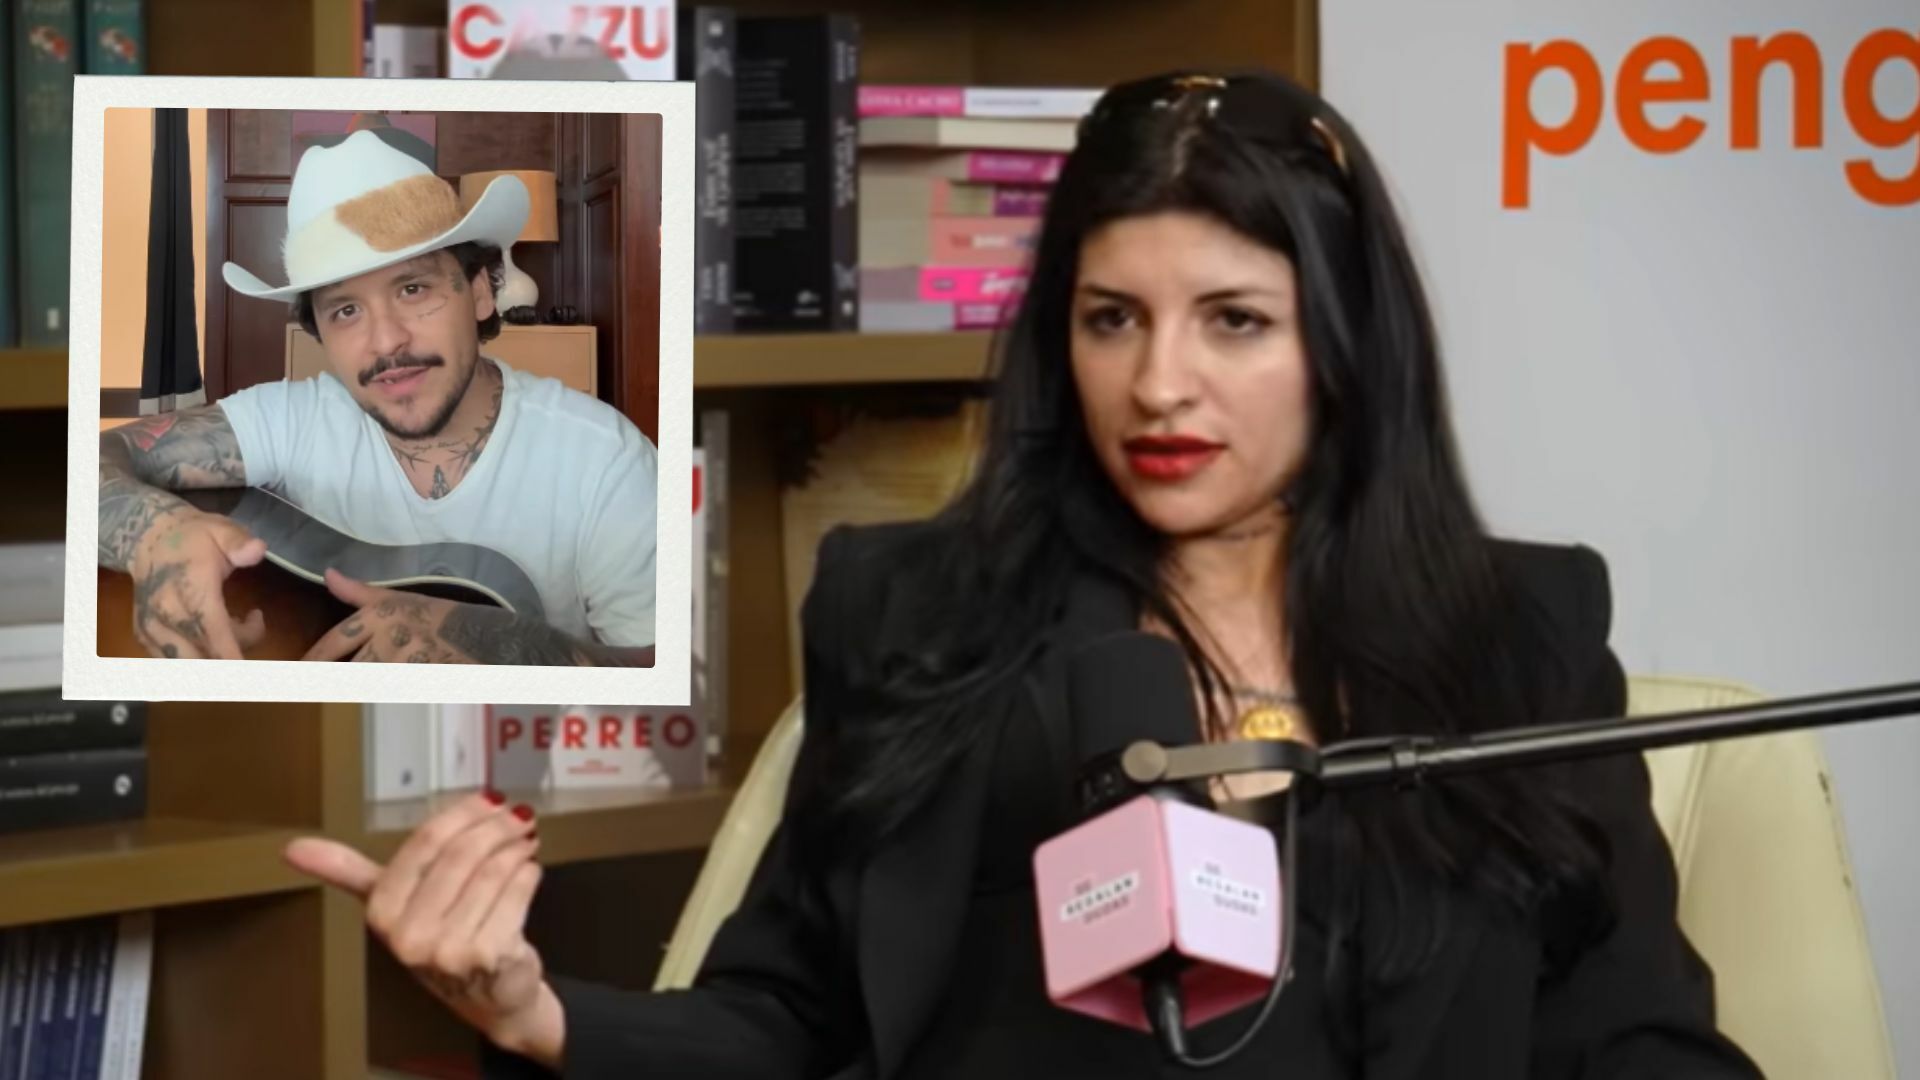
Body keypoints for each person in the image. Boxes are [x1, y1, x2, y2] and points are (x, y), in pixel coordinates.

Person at [283, 70, 1763, 1077]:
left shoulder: (1520, 635)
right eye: (1113, 318)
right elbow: (785, 1017)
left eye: (1234, 321)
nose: (1160, 383)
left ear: (1344, 346)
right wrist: (536, 1013)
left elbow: (1638, 1038)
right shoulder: (915, 615)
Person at [96, 129, 657, 665]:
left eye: (413, 288)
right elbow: (90, 463)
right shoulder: (292, 419)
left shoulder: (605, 459)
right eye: (346, 310)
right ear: (318, 333)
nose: (386, 341)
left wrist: (509, 649)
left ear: (481, 292)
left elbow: (669, 676)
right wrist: (152, 533)